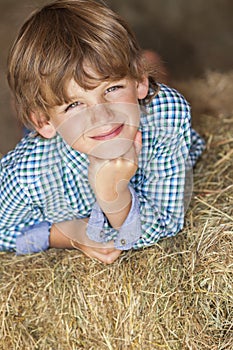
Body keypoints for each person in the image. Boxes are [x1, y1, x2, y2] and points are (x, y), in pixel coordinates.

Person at [0, 0, 205, 264]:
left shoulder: (165, 115)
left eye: (112, 88)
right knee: (33, 120)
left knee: (155, 96)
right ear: (45, 123)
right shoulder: (28, 174)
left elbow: (166, 222)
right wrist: (66, 234)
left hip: (141, 102)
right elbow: (4, 233)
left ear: (140, 82)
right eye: (75, 104)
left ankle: (151, 69)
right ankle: (36, 116)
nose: (103, 116)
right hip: (50, 143)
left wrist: (114, 195)